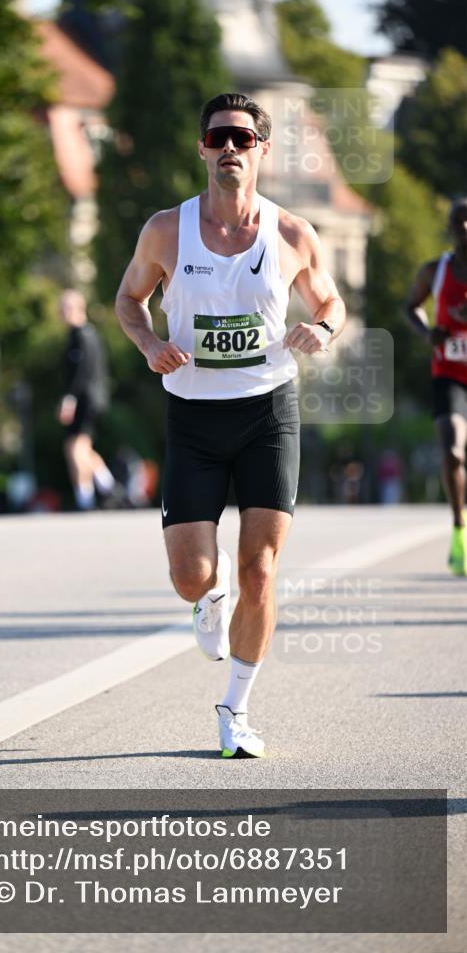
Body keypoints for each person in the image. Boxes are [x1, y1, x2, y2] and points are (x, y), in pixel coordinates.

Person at [115, 92, 345, 758]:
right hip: (191, 417)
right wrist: (148, 343)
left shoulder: (292, 234)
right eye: (217, 137)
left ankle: (234, 711)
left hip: (267, 411)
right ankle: (205, 598)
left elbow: (330, 301)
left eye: (242, 140)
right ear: (201, 148)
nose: (228, 150)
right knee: (192, 575)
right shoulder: (166, 230)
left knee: (262, 569)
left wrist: (321, 328)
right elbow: (129, 299)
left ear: (261, 152)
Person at [405, 197, 467, 576]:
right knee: (453, 450)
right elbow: (411, 306)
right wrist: (428, 332)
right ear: (449, 227)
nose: (464, 228)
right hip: (449, 373)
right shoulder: (436, 271)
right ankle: (460, 530)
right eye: (457, 222)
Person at [57, 289, 116, 510]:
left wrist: (69, 399)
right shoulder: (87, 335)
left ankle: (85, 498)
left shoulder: (81, 336)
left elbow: (80, 373)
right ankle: (108, 486)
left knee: (76, 448)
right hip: (93, 398)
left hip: (86, 400)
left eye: (64, 309)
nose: (61, 314)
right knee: (82, 447)